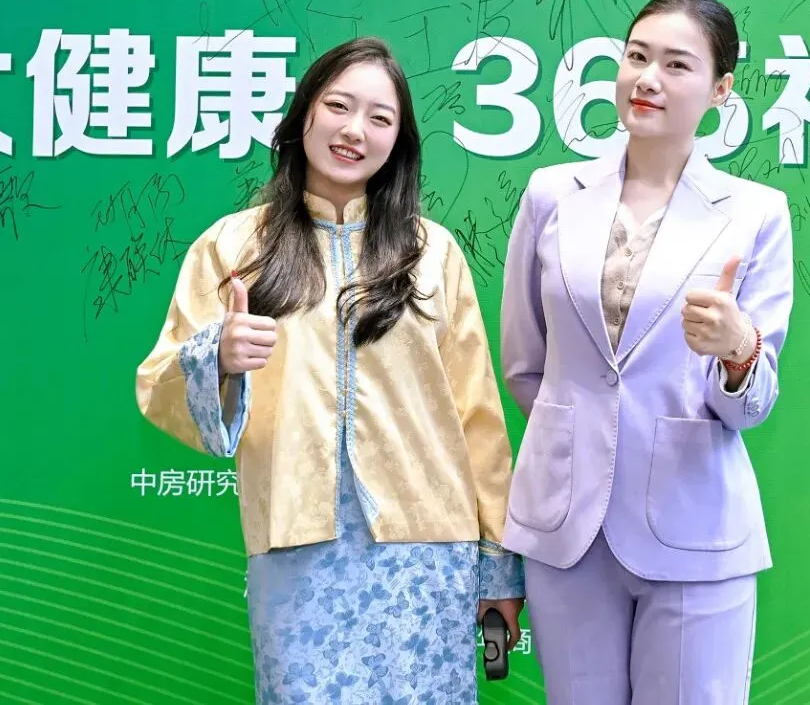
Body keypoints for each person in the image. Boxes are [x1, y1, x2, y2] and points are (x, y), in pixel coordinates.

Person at [136, 37, 524, 704]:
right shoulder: (233, 246)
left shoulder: (433, 254)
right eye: (338, 106)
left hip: (426, 552)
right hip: (296, 547)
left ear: (398, 141)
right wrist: (217, 357)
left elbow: (478, 421)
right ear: (304, 114)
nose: (354, 130)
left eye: (380, 117)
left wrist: (498, 569)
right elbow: (159, 381)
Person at [499, 0, 794, 704]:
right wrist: (585, 442)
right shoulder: (552, 195)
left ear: (720, 90)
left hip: (694, 522)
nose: (647, 79)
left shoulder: (755, 213)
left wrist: (737, 349)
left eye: (676, 64)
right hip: (568, 526)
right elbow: (525, 364)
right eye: (636, 57)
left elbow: (751, 406)